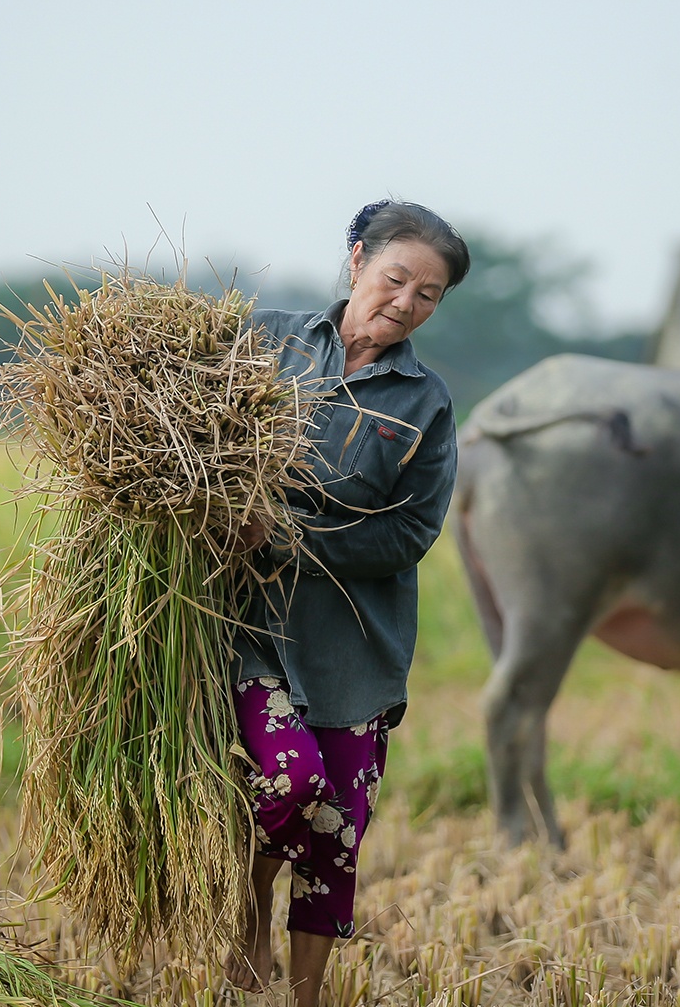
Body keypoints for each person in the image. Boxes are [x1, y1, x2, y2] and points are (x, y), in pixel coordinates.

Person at [226, 200, 469, 1007]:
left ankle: (305, 998)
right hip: (249, 627)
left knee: (336, 840)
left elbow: (408, 536)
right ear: (358, 260)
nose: (405, 304)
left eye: (428, 295)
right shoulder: (264, 342)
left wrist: (288, 538)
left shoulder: (424, 404)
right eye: (396, 279)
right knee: (293, 787)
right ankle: (248, 899)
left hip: (356, 644)